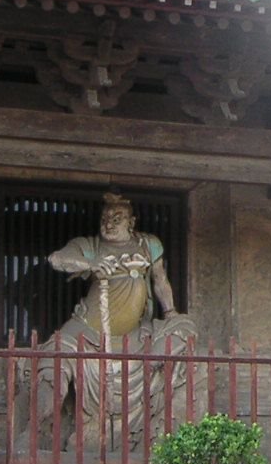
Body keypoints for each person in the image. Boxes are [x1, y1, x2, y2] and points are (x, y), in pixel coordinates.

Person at [13, 192, 196, 450]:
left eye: (117, 218)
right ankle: (32, 431)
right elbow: (57, 259)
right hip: (87, 329)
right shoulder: (90, 245)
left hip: (136, 333)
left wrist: (170, 313)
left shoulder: (148, 244)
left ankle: (159, 420)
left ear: (131, 222)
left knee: (185, 328)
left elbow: (160, 281)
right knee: (53, 366)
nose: (108, 223)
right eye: (105, 218)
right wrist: (89, 263)